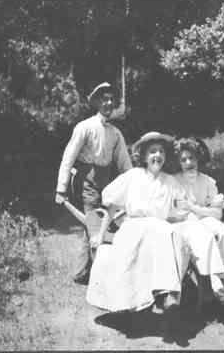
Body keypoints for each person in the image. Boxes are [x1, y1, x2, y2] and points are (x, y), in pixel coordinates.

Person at [86, 132, 191, 314]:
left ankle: (167, 292)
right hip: (134, 225)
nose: (157, 155)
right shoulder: (133, 176)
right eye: (152, 151)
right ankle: (133, 301)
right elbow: (112, 206)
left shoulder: (170, 181)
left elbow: (181, 210)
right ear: (143, 156)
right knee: (139, 243)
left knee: (169, 234)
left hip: (158, 225)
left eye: (161, 152)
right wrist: (100, 235)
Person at [55, 82, 132, 284]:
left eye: (111, 100)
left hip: (106, 181)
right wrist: (61, 188)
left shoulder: (115, 133)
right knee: (92, 221)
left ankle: (82, 272)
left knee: (96, 223)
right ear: (96, 102)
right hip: (86, 180)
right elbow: (69, 156)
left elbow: (125, 163)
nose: (108, 103)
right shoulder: (85, 127)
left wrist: (135, 186)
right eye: (104, 99)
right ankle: (99, 276)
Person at [173, 137, 224, 327]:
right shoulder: (175, 181)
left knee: (223, 233)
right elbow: (180, 212)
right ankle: (219, 288)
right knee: (205, 235)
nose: (188, 163)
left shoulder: (208, 182)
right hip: (186, 223)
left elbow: (217, 213)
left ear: (198, 159)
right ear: (178, 162)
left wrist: (195, 208)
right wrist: (202, 210)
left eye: (191, 158)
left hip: (204, 219)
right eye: (183, 160)